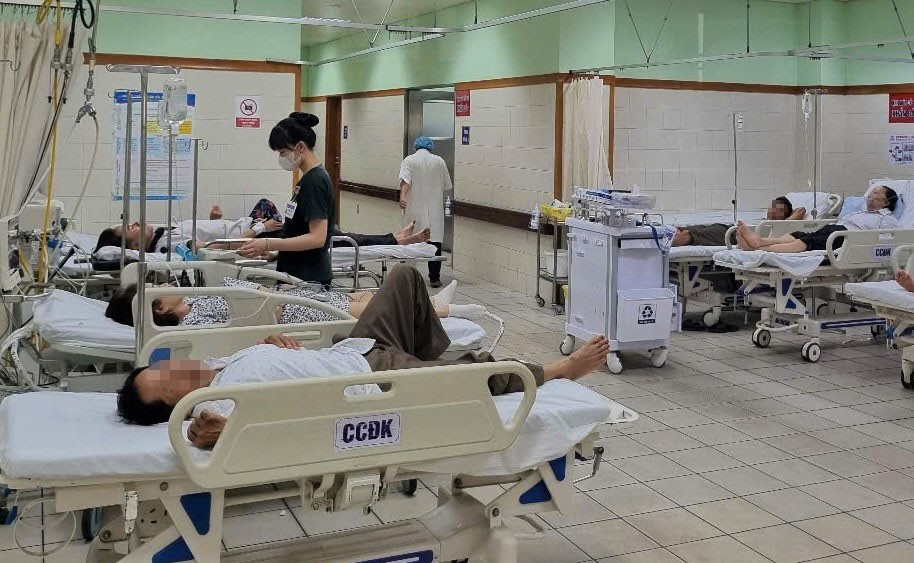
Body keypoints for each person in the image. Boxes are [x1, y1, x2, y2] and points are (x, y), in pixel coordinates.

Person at [116, 264, 611, 447]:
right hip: (369, 377)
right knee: (472, 373)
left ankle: (427, 359)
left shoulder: (221, 368)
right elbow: (223, 436)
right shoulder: (213, 407)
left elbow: (279, 366)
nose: (173, 369)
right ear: (173, 408)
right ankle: (557, 369)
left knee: (404, 278)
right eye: (166, 385)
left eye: (161, 368)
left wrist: (272, 347)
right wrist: (213, 432)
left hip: (355, 347)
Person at [105, 277, 485, 327]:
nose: (163, 283)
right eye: (155, 287)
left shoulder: (196, 298)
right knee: (374, 304)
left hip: (293, 299)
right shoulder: (191, 325)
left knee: (362, 294)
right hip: (293, 313)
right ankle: (450, 312)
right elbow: (244, 324)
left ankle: (435, 302)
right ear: (159, 307)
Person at [237, 113, 333, 285]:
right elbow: (299, 231)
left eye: (283, 151)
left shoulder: (315, 181)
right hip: (296, 270)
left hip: (308, 276)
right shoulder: (307, 179)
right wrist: (278, 254)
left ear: (300, 147)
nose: (281, 157)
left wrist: (268, 243)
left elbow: (317, 238)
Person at [735, 186, 900, 253]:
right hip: (837, 230)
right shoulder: (859, 213)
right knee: (800, 233)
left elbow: (891, 238)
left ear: (885, 202)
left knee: (809, 240)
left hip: (849, 238)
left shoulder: (886, 218)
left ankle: (759, 249)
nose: (871, 195)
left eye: (876, 193)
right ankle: (760, 241)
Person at [94, 200, 284, 254]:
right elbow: (216, 247)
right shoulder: (167, 246)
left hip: (249, 226)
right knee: (295, 228)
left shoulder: (161, 236)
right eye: (131, 227)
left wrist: (213, 221)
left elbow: (201, 237)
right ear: (135, 246)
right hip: (253, 235)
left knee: (265, 205)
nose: (136, 222)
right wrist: (261, 229)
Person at [399, 137, 453, 288]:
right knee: (435, 242)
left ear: (415, 147)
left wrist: (402, 196)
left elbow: (406, 180)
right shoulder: (439, 161)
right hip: (434, 209)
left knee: (410, 241)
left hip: (414, 208)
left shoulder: (409, 160)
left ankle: (406, 276)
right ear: (431, 147)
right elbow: (446, 185)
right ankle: (434, 278)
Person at [672, 196, 806, 247]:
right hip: (729, 229)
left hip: (734, 237)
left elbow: (802, 210)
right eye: (773, 206)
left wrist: (788, 221)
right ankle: (676, 233)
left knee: (699, 235)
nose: (773, 210)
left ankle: (678, 239)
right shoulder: (763, 221)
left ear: (785, 214)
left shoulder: (780, 227)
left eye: (779, 209)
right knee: (699, 228)